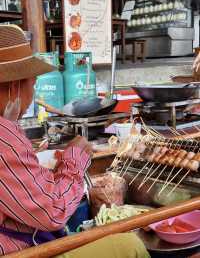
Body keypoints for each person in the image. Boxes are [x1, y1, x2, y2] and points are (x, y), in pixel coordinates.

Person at [0, 24, 149, 258]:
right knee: (131, 245)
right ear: (14, 85)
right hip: (22, 250)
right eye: (32, 82)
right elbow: (54, 211)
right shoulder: (4, 138)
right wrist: (75, 157)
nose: (34, 91)